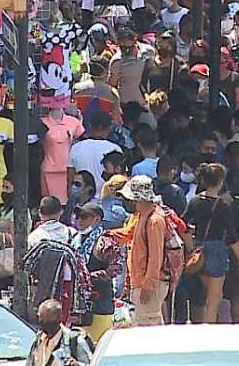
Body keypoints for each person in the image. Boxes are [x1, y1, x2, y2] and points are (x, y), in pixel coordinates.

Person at [185, 163, 239, 323]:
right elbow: (232, 237)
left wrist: (190, 243)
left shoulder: (194, 201)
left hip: (199, 249)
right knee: (214, 299)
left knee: (200, 294)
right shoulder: (223, 206)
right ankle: (209, 328)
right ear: (220, 182)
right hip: (217, 250)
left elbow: (182, 224)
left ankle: (198, 324)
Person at [17, 299, 93, 366]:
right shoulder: (38, 341)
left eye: (48, 320)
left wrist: (76, 365)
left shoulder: (74, 341)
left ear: (58, 319)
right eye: (41, 318)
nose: (43, 322)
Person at [121, 176, 170, 326]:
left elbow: (156, 257)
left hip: (149, 284)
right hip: (142, 282)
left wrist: (148, 286)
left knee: (149, 329)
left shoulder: (154, 220)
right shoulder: (142, 216)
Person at [71, 202, 121, 340]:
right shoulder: (75, 239)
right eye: (78, 217)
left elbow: (115, 267)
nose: (79, 220)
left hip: (100, 306)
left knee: (98, 347)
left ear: (96, 219)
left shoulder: (105, 241)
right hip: (78, 308)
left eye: (84, 217)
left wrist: (92, 276)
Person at [67, 112, 122, 194]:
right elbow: (121, 180)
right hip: (107, 199)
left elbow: (70, 180)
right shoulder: (115, 149)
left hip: (83, 201)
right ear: (110, 128)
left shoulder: (76, 148)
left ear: (90, 126)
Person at [108, 27, 153, 105]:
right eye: (122, 48)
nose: (125, 51)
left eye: (127, 48)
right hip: (126, 102)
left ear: (134, 42)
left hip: (145, 100)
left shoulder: (148, 51)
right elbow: (112, 84)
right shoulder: (117, 61)